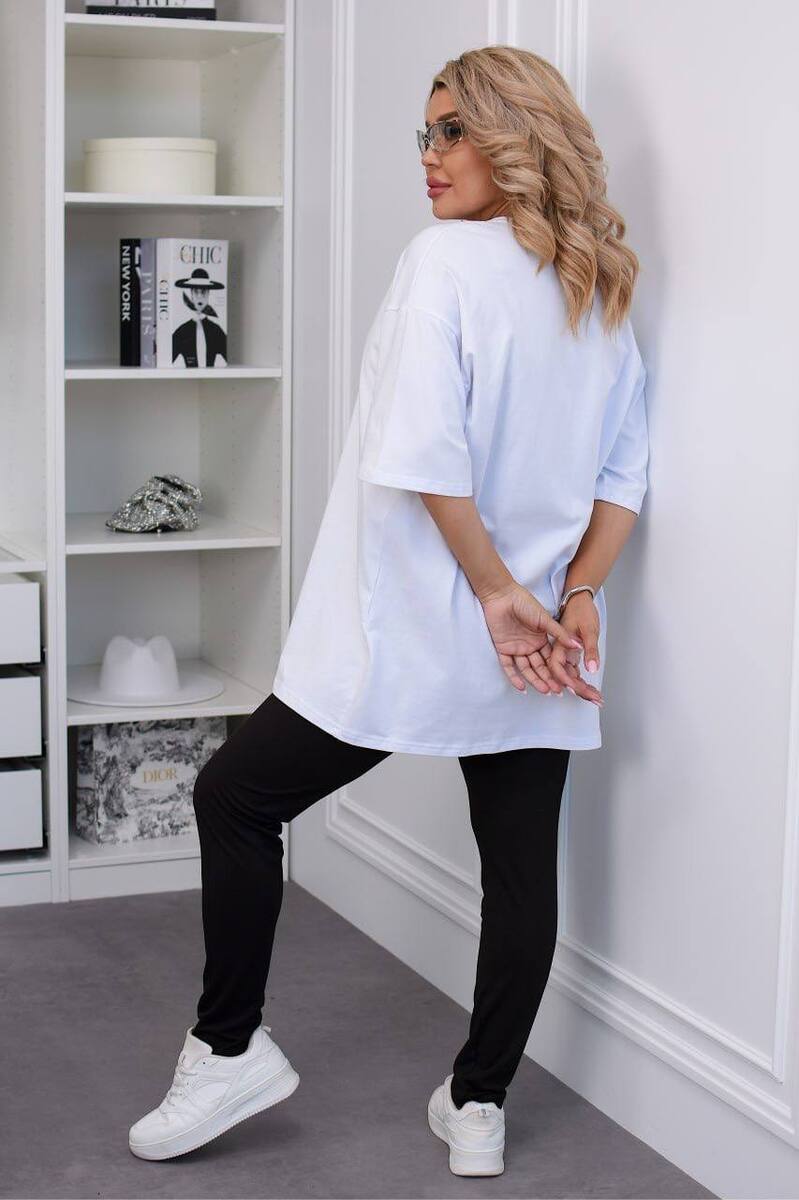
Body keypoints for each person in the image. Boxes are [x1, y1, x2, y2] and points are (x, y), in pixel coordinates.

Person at [129, 45, 650, 1178]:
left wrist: (498, 594)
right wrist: (574, 596)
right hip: (537, 644)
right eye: (425, 133)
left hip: (427, 623)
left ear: (515, 136)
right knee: (520, 874)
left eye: (453, 131)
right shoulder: (596, 285)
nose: (430, 155)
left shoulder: (443, 262)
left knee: (234, 796)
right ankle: (479, 1105)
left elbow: (424, 456)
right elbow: (623, 477)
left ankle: (229, 1051)